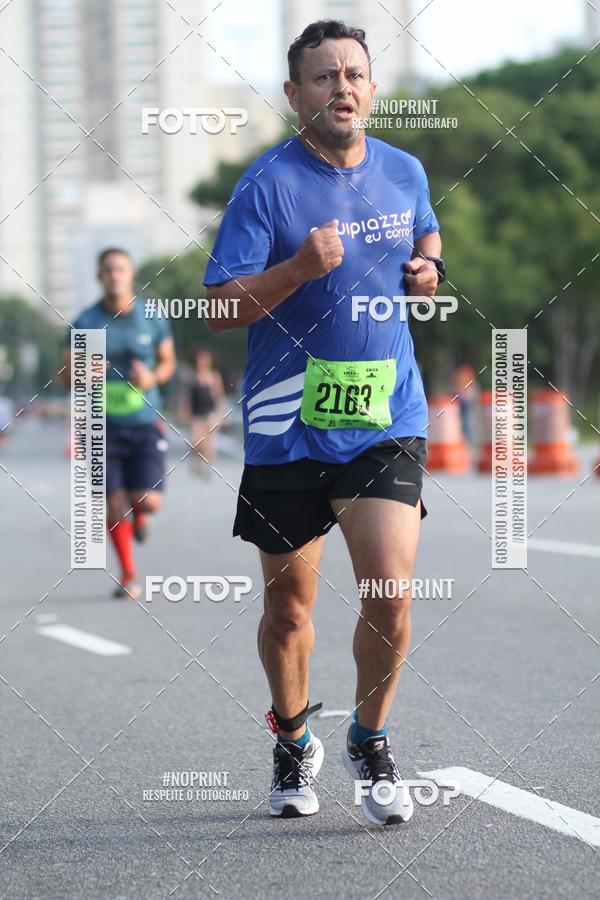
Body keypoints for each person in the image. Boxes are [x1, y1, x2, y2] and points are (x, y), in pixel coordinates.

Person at [203, 19, 444, 824]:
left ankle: (370, 740)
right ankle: (293, 737)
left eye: (353, 74)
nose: (341, 87)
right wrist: (300, 268)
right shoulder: (264, 186)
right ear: (294, 93)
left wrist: (429, 267)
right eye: (323, 77)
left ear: (371, 88)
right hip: (285, 426)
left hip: (385, 416)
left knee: (391, 593)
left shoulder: (404, 169)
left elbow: (424, 229)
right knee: (289, 611)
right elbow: (216, 308)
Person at [62, 248, 176, 598]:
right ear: (99, 276)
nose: (114, 275)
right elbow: (64, 374)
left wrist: (153, 378)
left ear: (131, 274)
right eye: (108, 270)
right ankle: (128, 573)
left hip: (144, 422)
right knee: (113, 502)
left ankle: (141, 517)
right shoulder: (85, 321)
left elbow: (168, 362)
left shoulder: (152, 317)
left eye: (121, 269)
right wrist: (81, 371)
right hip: (100, 425)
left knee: (147, 501)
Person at [185, 347, 225, 476]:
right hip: (196, 413)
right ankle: (196, 462)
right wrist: (184, 410)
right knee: (197, 442)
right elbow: (186, 396)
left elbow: (219, 395)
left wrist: (222, 413)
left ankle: (207, 466)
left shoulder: (214, 376)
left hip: (210, 412)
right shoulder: (192, 376)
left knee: (210, 441)